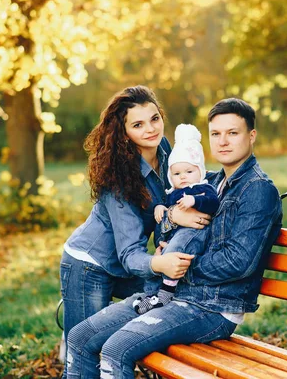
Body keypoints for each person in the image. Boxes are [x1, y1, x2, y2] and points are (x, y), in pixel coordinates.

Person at [66, 98, 283, 379]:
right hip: (170, 296)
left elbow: (239, 262)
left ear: (251, 136)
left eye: (233, 133)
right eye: (216, 134)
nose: (223, 141)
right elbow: (172, 219)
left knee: (116, 349)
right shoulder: (211, 181)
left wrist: (179, 265)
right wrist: (169, 229)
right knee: (80, 337)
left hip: (212, 307)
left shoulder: (257, 190)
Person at [59, 86, 207, 377]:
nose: (150, 129)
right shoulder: (118, 178)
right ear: (124, 132)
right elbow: (128, 254)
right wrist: (159, 262)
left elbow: (178, 192)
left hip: (127, 266)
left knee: (166, 301)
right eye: (138, 125)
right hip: (90, 265)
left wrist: (177, 217)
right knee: (85, 351)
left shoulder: (165, 150)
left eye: (154, 118)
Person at [133, 123, 219, 314]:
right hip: (174, 239)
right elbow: (169, 212)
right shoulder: (173, 193)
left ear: (200, 171)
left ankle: (166, 293)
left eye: (189, 172)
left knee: (176, 246)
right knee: (159, 259)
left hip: (194, 235)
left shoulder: (203, 188)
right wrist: (162, 208)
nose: (183, 177)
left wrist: (194, 200)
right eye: (177, 173)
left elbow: (213, 203)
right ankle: (151, 295)